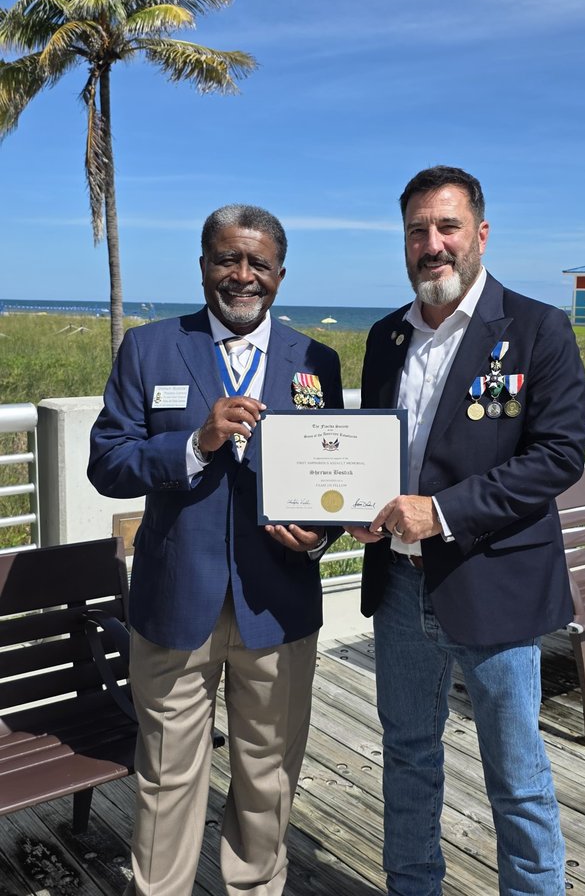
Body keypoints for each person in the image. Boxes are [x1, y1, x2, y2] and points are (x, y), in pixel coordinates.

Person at [346, 166, 585, 896]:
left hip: (492, 584)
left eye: (446, 227)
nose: (432, 244)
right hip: (396, 585)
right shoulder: (386, 337)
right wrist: (360, 502)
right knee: (407, 756)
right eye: (417, 230)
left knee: (515, 773)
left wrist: (441, 511)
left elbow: (558, 454)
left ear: (479, 233)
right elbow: (374, 448)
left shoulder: (536, 328)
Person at [88, 204, 343, 896]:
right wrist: (193, 445)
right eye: (228, 259)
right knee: (168, 775)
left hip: (279, 603)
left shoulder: (315, 359)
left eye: (258, 264)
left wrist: (323, 533)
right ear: (203, 266)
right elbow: (108, 464)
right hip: (176, 605)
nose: (242, 275)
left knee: (267, 773)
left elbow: (339, 474)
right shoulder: (149, 348)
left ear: (280, 276)